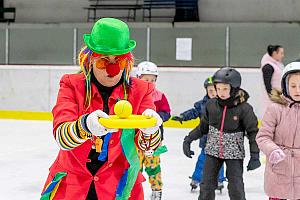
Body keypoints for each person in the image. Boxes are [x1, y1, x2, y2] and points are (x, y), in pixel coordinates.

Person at [40, 18, 163, 200]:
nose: (111, 69)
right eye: (103, 61)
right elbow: (62, 137)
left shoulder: (141, 90)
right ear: (90, 60)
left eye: (119, 61)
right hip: (71, 187)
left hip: (119, 188)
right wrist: (85, 126)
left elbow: (148, 147)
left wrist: (151, 130)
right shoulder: (71, 85)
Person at [182, 67, 261, 200]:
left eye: (225, 88)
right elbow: (203, 127)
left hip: (234, 152)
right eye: (218, 88)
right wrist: (188, 139)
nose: (221, 92)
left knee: (236, 186)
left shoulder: (244, 108)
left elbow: (253, 132)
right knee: (206, 185)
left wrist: (255, 155)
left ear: (234, 88)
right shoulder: (211, 105)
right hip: (212, 150)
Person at [172, 77, 226, 191]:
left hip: (221, 141)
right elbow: (193, 112)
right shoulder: (202, 105)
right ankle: (196, 179)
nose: (212, 93)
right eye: (210, 90)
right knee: (202, 161)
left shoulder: (225, 105)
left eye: (214, 90)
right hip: (206, 140)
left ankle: (220, 179)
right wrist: (183, 116)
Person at [256, 61, 300, 200]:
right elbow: (263, 136)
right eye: (293, 86)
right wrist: (272, 150)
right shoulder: (275, 108)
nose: (297, 90)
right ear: (285, 86)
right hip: (279, 168)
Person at [136, 61, 171, 200]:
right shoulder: (133, 96)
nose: (150, 83)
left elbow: (167, 112)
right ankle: (133, 189)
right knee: (135, 166)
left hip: (154, 140)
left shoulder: (159, 96)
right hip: (136, 139)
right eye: (146, 80)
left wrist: (157, 118)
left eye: (153, 80)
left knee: (153, 166)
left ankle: (157, 190)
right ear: (138, 79)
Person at [261, 45, 284, 115]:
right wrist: (273, 97)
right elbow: (267, 84)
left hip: (279, 96)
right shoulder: (268, 66)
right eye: (281, 53)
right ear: (274, 53)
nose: (283, 55)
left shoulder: (278, 65)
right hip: (273, 98)